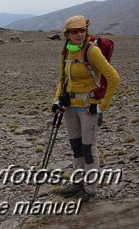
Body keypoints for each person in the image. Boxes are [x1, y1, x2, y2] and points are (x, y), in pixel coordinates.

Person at [51, 15, 119, 203]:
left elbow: (114, 78)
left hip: (88, 109)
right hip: (70, 108)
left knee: (88, 149)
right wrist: (57, 100)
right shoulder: (66, 51)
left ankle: (89, 190)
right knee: (76, 148)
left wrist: (101, 106)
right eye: (75, 31)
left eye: (82, 30)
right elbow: (62, 79)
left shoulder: (92, 50)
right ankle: (78, 183)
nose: (79, 34)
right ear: (67, 34)